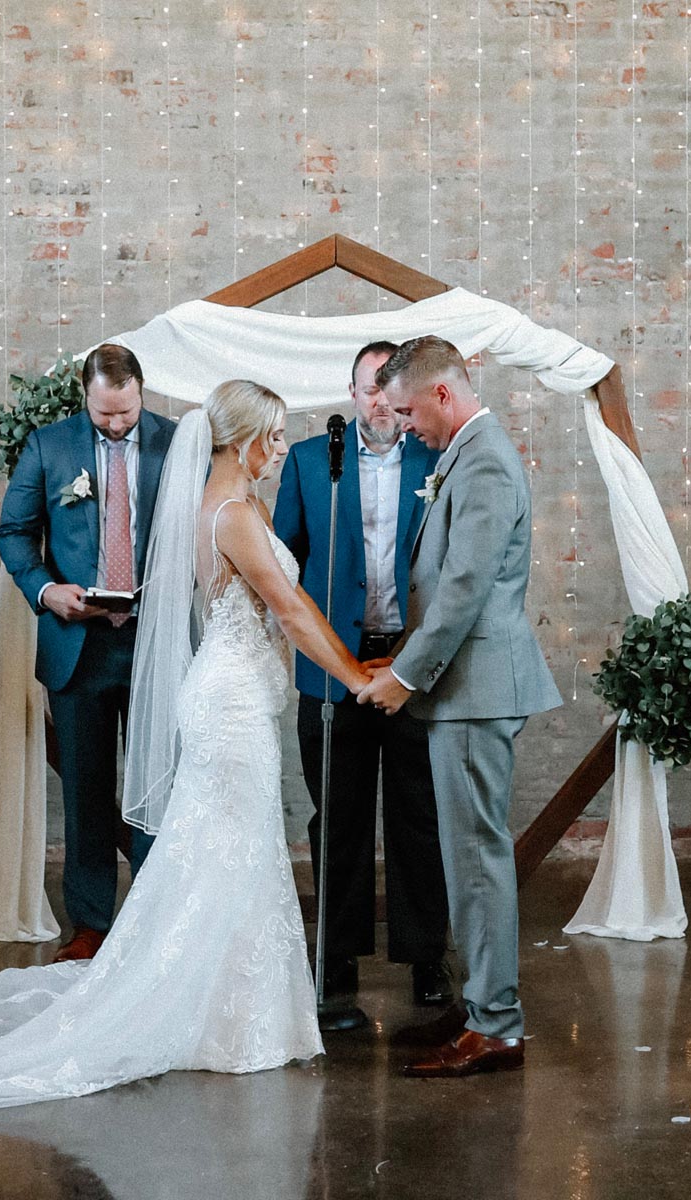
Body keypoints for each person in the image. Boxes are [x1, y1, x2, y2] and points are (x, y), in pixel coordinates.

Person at [0, 380, 370, 1118]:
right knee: (230, 854)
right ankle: (224, 1021)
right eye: (277, 436)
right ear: (248, 439)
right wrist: (354, 676)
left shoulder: (230, 507)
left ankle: (229, 1012)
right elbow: (289, 611)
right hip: (229, 707)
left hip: (236, 696)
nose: (283, 449)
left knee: (228, 854)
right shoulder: (231, 515)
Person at [359, 336, 562, 1078]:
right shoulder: (468, 453)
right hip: (465, 688)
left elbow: (465, 589)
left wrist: (405, 677)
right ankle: (481, 1003)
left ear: (443, 395)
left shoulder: (484, 460)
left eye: (409, 412)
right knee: (465, 859)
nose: (406, 427)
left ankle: (497, 1027)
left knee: (476, 863)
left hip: (474, 691)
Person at [273, 341, 450, 1006]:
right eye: (367, 388)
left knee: (418, 815)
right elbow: (285, 564)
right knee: (338, 817)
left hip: (412, 667)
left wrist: (413, 656)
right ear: (351, 395)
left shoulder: (437, 457)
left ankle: (426, 958)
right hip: (333, 672)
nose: (379, 400)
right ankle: (336, 957)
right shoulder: (311, 462)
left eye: (388, 386)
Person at [0, 344, 177, 962]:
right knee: (85, 790)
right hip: (78, 645)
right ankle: (92, 925)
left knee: (156, 787)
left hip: (156, 641)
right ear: (86, 396)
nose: (118, 425)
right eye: (105, 416)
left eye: (126, 413)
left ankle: (154, 920)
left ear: (141, 390)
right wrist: (47, 591)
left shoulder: (178, 443)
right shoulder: (49, 447)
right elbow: (14, 532)